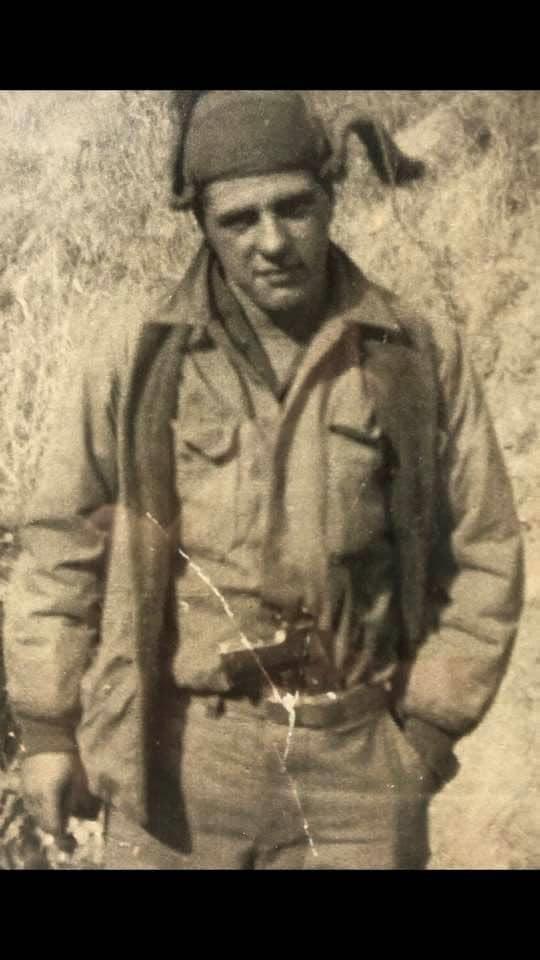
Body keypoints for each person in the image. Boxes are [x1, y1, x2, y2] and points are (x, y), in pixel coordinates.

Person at [4, 91, 524, 869]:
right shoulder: (138, 357)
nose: (273, 242)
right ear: (202, 225)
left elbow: (484, 552)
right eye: (240, 220)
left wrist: (425, 735)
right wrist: (49, 730)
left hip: (357, 768)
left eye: (294, 208)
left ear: (331, 197)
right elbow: (60, 547)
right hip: (179, 764)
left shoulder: (413, 353)